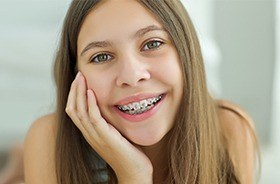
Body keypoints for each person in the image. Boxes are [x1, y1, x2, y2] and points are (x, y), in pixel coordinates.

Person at [23, 0, 260, 183]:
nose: (131, 76)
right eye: (101, 56)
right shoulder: (50, 141)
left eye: (152, 43)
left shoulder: (229, 130)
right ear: (76, 76)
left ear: (185, 50)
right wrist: (134, 176)